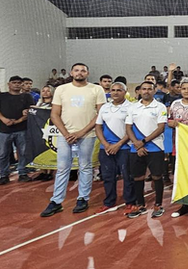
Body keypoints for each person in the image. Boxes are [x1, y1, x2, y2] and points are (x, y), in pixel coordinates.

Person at [42, 63, 106, 218]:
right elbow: (55, 114)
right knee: (62, 168)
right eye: (76, 70)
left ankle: (83, 198)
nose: (80, 73)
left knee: (85, 167)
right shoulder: (61, 89)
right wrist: (66, 134)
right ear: (71, 72)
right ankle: (56, 201)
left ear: (87, 73)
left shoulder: (96, 89)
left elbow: (101, 113)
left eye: (83, 70)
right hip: (65, 136)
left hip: (87, 135)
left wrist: (81, 132)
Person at [125, 81, 168, 219]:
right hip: (135, 148)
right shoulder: (132, 108)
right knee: (137, 177)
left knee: (156, 176)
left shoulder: (160, 107)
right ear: (139, 91)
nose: (146, 91)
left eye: (150, 89)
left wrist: (143, 142)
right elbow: (128, 128)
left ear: (154, 91)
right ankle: (140, 205)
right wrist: (137, 144)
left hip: (155, 147)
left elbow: (160, 128)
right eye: (144, 89)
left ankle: (158, 204)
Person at [95, 82, 132, 214]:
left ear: (125, 92)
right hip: (105, 148)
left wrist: (118, 144)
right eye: (113, 90)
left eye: (119, 90)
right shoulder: (105, 107)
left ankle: (130, 201)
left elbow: (131, 129)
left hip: (124, 147)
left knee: (127, 175)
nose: (115, 93)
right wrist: (105, 144)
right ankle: (109, 202)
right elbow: (98, 127)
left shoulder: (131, 107)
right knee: (108, 176)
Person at [167, 78, 188, 218]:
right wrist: (172, 123)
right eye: (184, 88)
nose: (186, 91)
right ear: (179, 90)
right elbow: (168, 121)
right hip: (180, 145)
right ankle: (185, 204)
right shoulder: (175, 104)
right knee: (182, 174)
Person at [0, 76, 31, 185]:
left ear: (22, 85)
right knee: (3, 153)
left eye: (19, 83)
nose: (16, 84)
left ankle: (23, 173)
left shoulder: (27, 97)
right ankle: (3, 175)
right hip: (4, 129)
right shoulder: (1, 97)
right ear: (9, 84)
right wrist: (4, 119)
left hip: (21, 128)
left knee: (23, 152)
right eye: (14, 82)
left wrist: (18, 121)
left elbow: (30, 111)